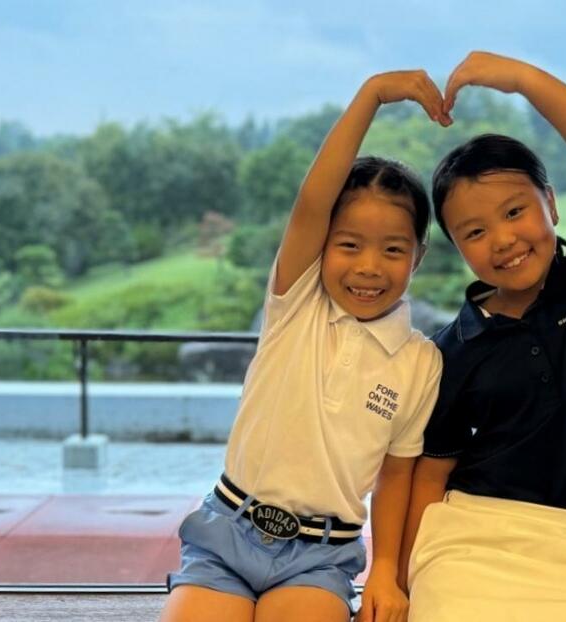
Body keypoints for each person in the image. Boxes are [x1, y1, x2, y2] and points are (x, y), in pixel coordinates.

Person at [161, 70, 451, 622]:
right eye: (349, 245)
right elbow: (312, 202)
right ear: (324, 245)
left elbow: (396, 476)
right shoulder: (297, 304)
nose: (369, 267)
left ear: (418, 256)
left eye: (393, 250)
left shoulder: (421, 361)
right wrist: (372, 95)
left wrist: (386, 574)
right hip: (228, 531)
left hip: (320, 557)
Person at [399, 52, 566, 621]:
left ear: (552, 204)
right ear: (459, 248)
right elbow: (431, 472)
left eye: (516, 211)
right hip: (470, 540)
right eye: (475, 231)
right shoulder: (450, 350)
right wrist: (402, 584)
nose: (503, 239)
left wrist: (522, 80)